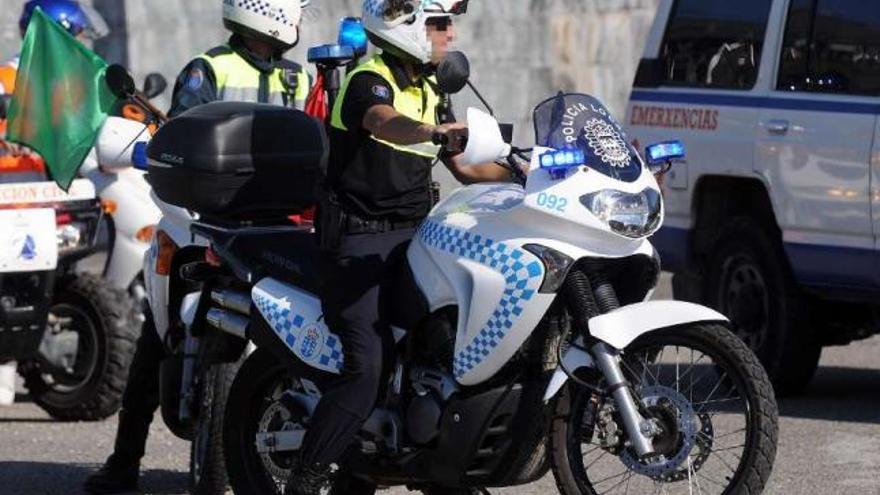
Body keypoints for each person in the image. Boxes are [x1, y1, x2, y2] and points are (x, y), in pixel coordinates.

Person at [83, 1, 310, 493]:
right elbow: (183, 133)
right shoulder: (208, 69)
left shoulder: (303, 77)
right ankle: (125, 462)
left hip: (282, 221)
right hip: (210, 219)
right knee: (154, 331)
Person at [288, 1, 512, 494]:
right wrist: (434, 133)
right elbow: (382, 120)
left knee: (449, 346)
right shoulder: (368, 78)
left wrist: (529, 169)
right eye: (438, 24)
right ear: (407, 26)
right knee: (367, 367)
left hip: (416, 234)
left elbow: (468, 169)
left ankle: (440, 465)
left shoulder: (431, 85)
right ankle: (305, 479)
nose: (449, 34)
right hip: (358, 241)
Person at [0, 0, 108, 407]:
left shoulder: (66, 83)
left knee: (63, 275)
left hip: (46, 200)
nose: (82, 43)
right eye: (76, 35)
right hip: (11, 197)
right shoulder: (10, 77)